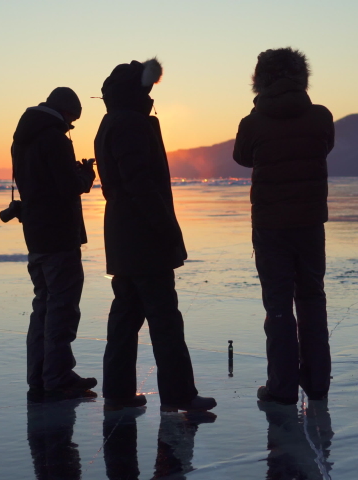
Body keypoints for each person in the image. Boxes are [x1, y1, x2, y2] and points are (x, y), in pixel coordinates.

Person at [93, 58, 216, 412]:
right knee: (164, 319)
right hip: (141, 234)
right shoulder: (130, 122)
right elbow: (139, 182)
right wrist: (163, 225)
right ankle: (178, 395)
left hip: (123, 233)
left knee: (126, 316)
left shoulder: (112, 120)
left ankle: (117, 394)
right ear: (139, 89)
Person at [233, 47, 335, 404]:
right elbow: (324, 148)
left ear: (260, 80)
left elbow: (242, 157)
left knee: (278, 306)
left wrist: (258, 110)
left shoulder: (254, 122)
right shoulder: (321, 117)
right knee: (311, 299)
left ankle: (282, 386)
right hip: (309, 224)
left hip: (270, 226)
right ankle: (317, 381)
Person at [11, 86, 97, 401]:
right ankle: (58, 376)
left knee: (43, 308)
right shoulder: (54, 139)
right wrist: (85, 175)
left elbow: (41, 183)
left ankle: (40, 375)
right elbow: (66, 187)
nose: (71, 128)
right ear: (66, 113)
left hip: (35, 234)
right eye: (72, 121)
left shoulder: (22, 139)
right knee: (62, 309)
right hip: (60, 236)